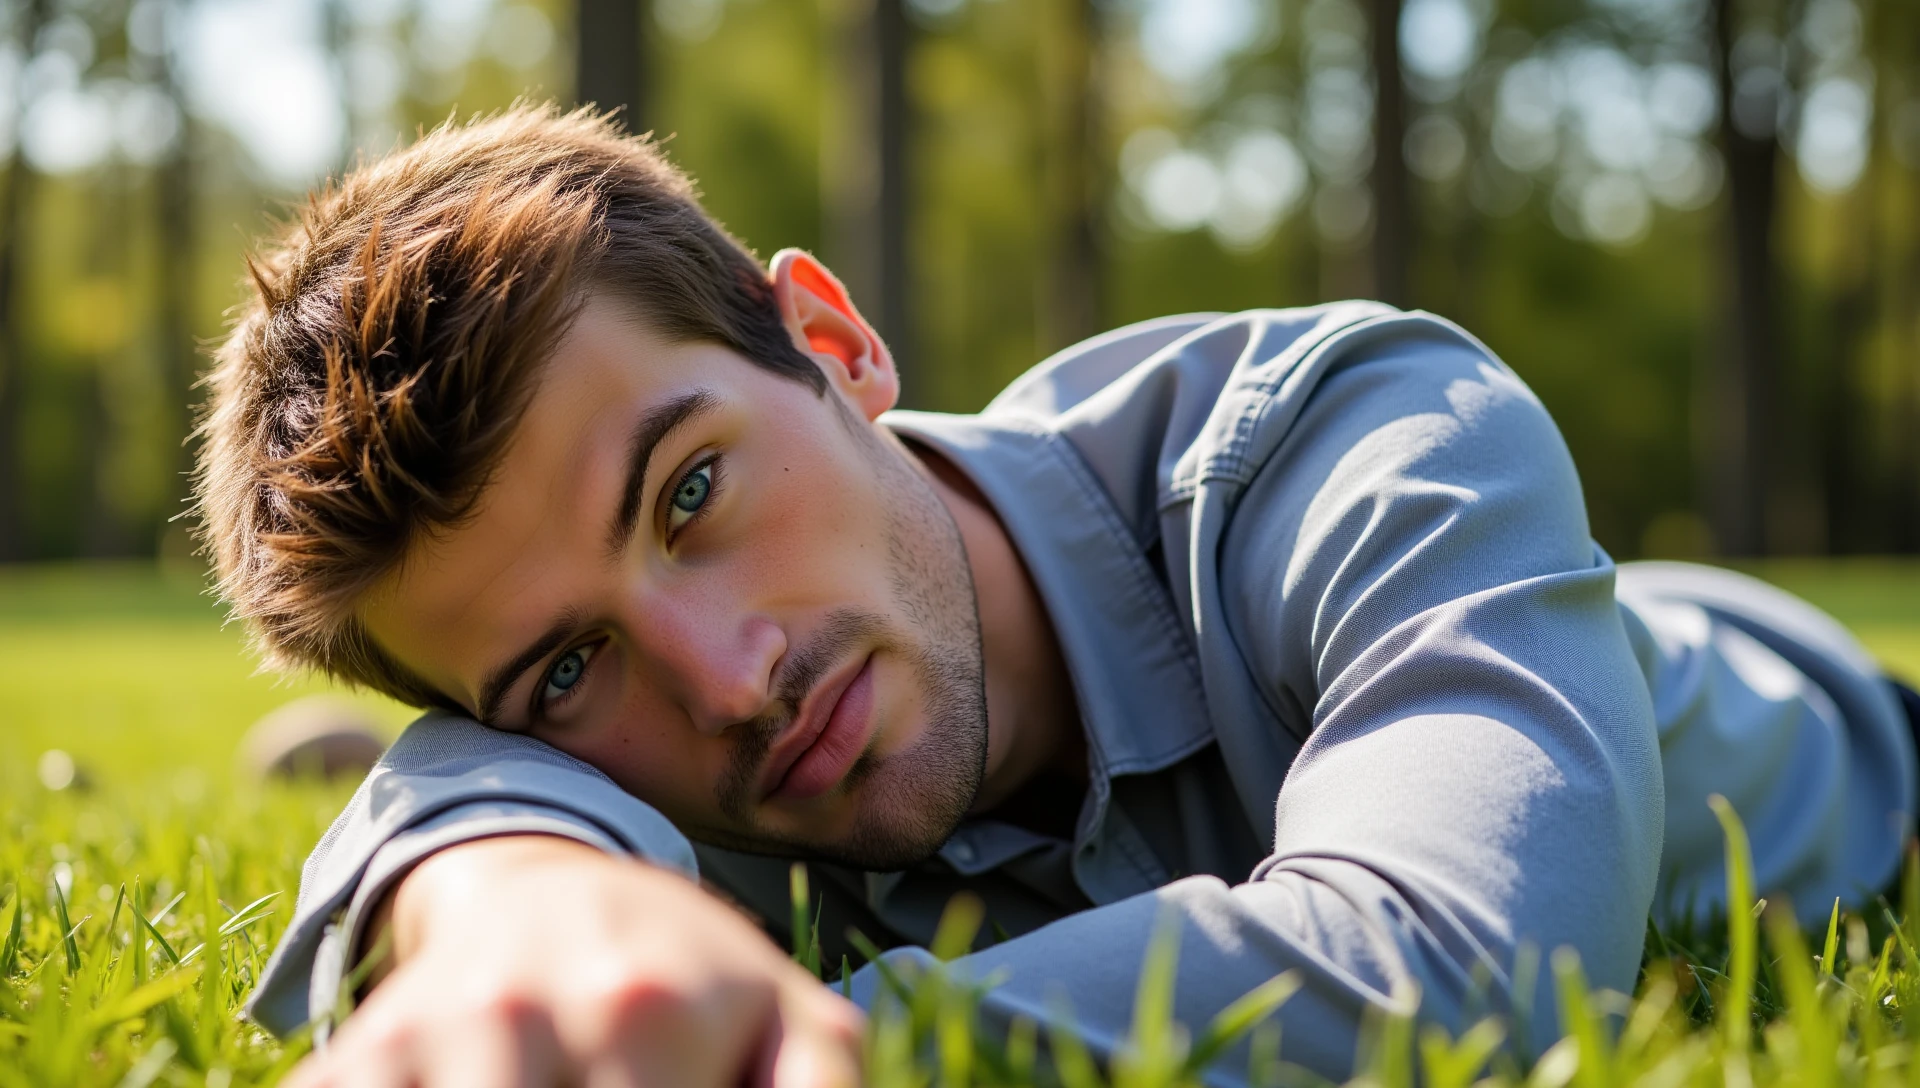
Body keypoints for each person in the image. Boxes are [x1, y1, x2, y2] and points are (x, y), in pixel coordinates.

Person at [195, 105, 1920, 1087]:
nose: (727, 684)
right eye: (565, 671)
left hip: (1839, 745)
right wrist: (499, 897)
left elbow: (1477, 969)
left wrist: (790, 1045)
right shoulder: (672, 728)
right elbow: (475, 788)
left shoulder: (1365, 428)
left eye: (693, 493)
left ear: (833, 343)